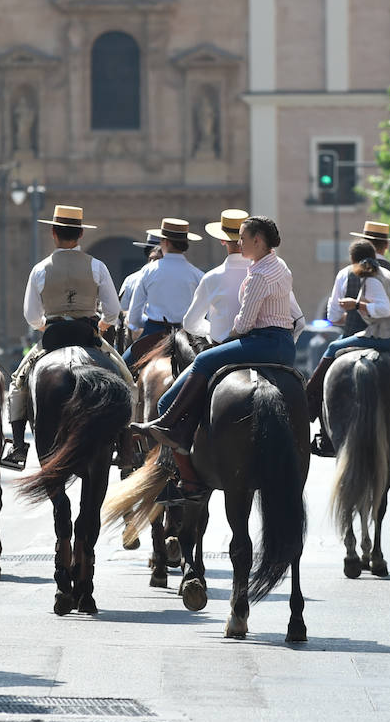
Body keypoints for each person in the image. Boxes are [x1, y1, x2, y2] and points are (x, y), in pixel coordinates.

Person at [132, 216, 300, 504]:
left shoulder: (254, 274)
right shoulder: (278, 266)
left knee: (202, 362)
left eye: (243, 239)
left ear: (256, 240)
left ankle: (171, 429)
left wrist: (225, 340)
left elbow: (244, 324)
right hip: (282, 346)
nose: (239, 243)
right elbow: (299, 319)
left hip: (259, 342)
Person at [2, 204, 135, 471]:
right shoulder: (96, 266)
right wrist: (102, 324)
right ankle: (127, 443)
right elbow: (112, 311)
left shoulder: (40, 269)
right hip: (88, 335)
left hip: (52, 337)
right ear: (81, 233)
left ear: (53, 233)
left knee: (18, 383)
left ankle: (17, 446)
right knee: (127, 381)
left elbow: (31, 315)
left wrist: (45, 325)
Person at [304, 239, 390, 458]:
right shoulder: (389, 273)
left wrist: (357, 305)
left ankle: (309, 402)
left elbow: (382, 310)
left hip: (387, 339)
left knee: (332, 347)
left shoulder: (371, 279)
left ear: (353, 260)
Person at [123, 218, 205, 368]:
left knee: (122, 369)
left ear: (165, 242)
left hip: (154, 334)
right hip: (188, 337)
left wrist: (146, 323)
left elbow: (134, 317)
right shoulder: (197, 274)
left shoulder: (148, 271)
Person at [336, 220, 390, 333]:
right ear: (386, 245)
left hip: (358, 334)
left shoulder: (346, 273)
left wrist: (352, 312)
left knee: (332, 348)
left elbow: (334, 316)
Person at [182, 209, 251, 345]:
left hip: (224, 350)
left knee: (197, 365)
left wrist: (211, 329)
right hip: (262, 350)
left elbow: (190, 323)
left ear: (222, 240)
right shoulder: (266, 272)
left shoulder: (211, 278)